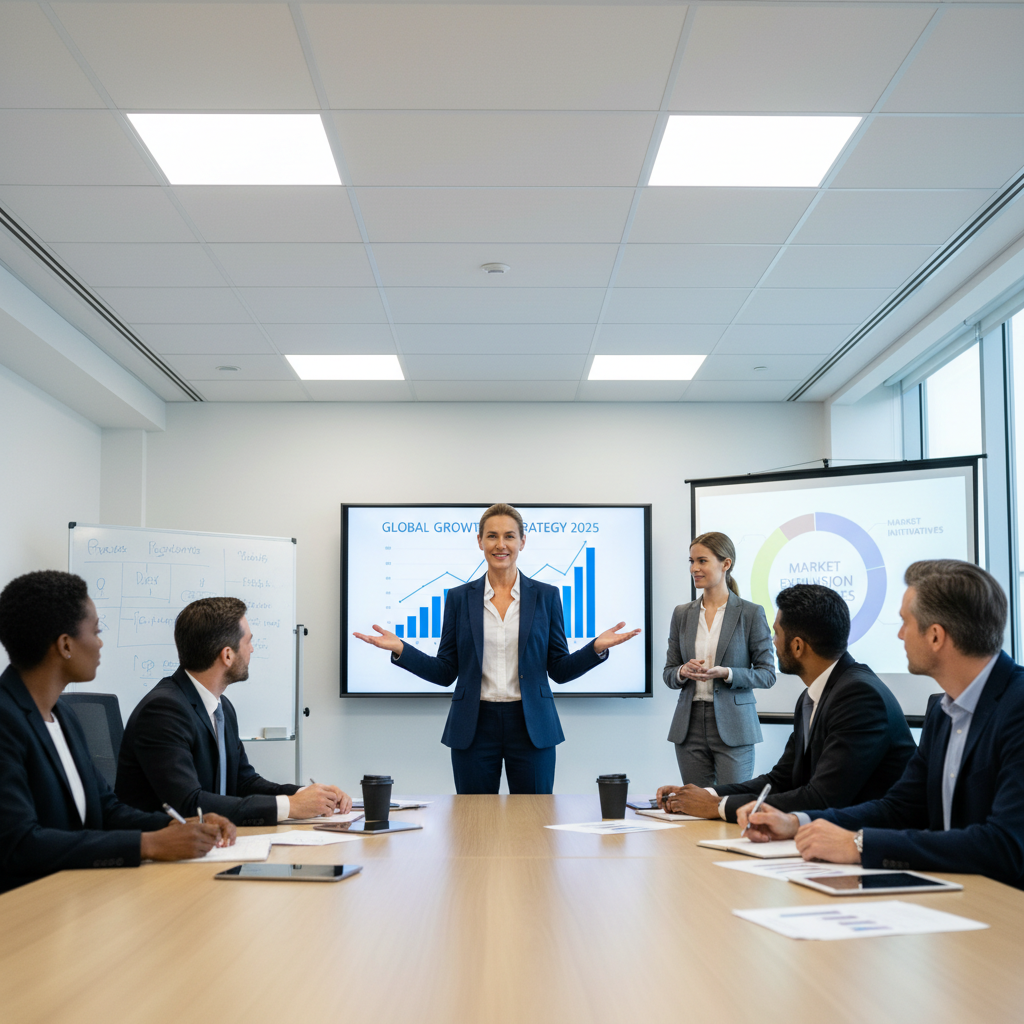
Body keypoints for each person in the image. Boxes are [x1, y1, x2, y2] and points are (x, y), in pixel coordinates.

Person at [744, 560, 1024, 890]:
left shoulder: (1017, 707)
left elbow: (1006, 844)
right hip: (956, 900)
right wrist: (796, 822)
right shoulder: (942, 710)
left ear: (935, 636)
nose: (900, 634)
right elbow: (899, 809)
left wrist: (860, 845)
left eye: (906, 622)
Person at [354, 503, 640, 794]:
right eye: (491, 536)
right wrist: (402, 649)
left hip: (532, 725)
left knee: (534, 819)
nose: (500, 544)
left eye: (509, 536)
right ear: (479, 541)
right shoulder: (459, 599)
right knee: (475, 821)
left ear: (522, 542)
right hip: (474, 725)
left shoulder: (546, 596)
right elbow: (445, 672)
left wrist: (596, 649)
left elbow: (559, 670)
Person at [0, 571, 235, 893]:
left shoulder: (63, 715)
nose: (100, 642)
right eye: (95, 631)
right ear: (65, 645)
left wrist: (178, 825)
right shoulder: (5, 720)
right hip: (26, 907)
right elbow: (20, 844)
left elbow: (107, 809)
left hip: (78, 893)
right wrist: (148, 844)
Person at [656, 584, 915, 822]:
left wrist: (718, 806)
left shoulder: (859, 696)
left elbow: (822, 798)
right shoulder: (814, 695)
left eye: (776, 634)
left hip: (871, 842)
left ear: (798, 646)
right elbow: (781, 780)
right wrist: (704, 794)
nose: (772, 642)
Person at [116, 597, 351, 826]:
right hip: (166, 858)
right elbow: (188, 804)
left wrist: (308, 795)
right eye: (248, 641)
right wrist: (290, 806)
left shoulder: (222, 707)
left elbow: (243, 782)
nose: (251, 649)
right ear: (227, 655)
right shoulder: (164, 711)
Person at [663, 532, 775, 788]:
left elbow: (767, 674)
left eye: (702, 561)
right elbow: (669, 673)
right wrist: (682, 671)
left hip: (734, 726)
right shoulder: (682, 614)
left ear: (726, 564)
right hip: (688, 726)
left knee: (731, 806)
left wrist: (727, 673)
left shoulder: (750, 613)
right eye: (691, 561)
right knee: (696, 808)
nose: (694, 568)